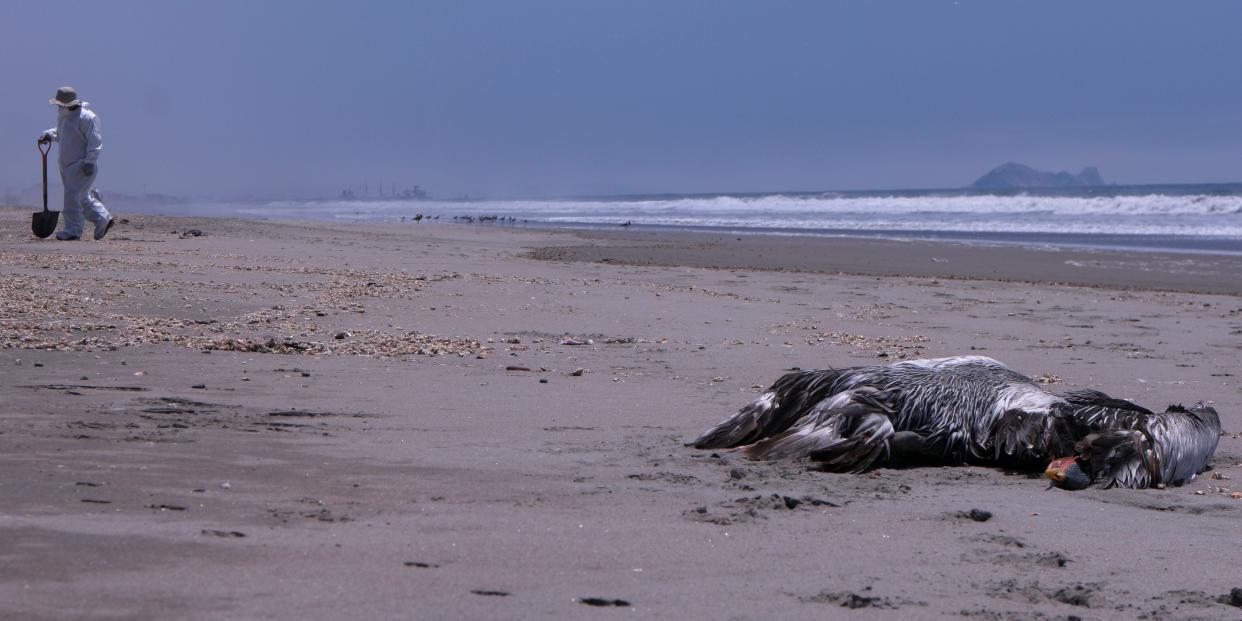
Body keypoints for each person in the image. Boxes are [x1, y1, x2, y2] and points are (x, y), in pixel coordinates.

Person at [38, 86, 114, 241]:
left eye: (61, 104)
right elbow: (61, 133)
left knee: (72, 197)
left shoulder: (87, 117)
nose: (59, 107)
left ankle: (73, 230)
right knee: (81, 198)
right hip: (67, 165)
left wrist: (90, 161)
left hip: (82, 165)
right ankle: (102, 219)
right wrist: (48, 135)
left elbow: (95, 141)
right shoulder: (65, 116)